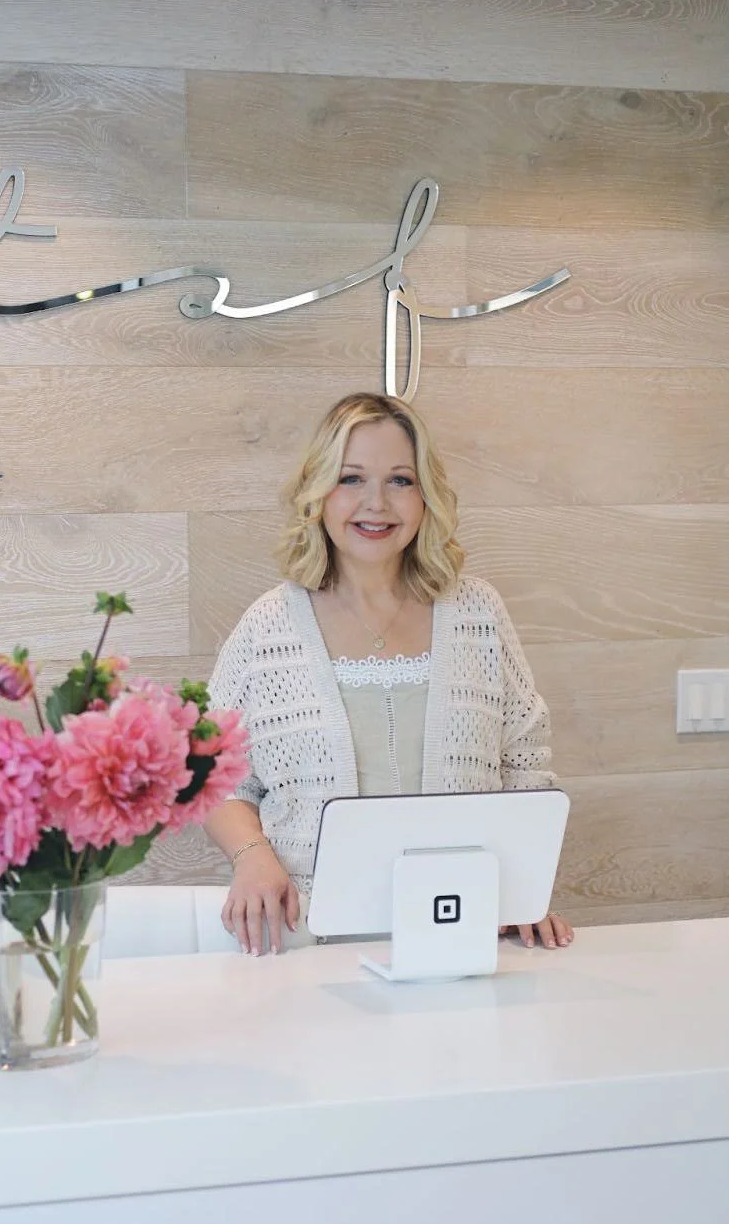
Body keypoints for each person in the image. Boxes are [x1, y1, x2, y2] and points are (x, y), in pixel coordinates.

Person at [204, 391, 574, 958]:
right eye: (351, 479)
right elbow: (210, 775)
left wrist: (523, 891)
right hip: (306, 939)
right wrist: (251, 856)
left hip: (461, 930)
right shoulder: (268, 628)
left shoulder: (477, 613)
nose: (375, 504)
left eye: (400, 480)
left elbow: (524, 763)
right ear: (318, 492)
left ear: (426, 497)